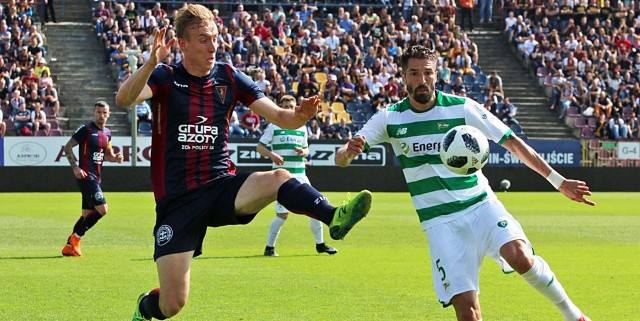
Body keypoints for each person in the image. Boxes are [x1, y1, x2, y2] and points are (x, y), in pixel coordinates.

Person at [115, 5, 372, 321]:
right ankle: (144, 308)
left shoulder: (229, 76)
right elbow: (124, 99)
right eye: (203, 40)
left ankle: (333, 217)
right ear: (181, 43)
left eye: (215, 38)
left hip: (222, 186)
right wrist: (152, 60)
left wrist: (301, 116)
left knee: (279, 177)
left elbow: (280, 116)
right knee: (172, 305)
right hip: (177, 202)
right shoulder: (165, 77)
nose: (213, 47)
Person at [335, 45, 594, 321]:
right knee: (467, 310)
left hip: (481, 205)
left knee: (520, 256)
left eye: (427, 73)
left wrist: (558, 181)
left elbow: (512, 143)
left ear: (437, 75)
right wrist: (348, 153)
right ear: (403, 75)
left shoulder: (462, 108)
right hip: (439, 222)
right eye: (414, 73)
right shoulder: (390, 118)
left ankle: (574, 315)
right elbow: (341, 158)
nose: (421, 80)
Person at [258, 95, 338, 257]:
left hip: (301, 176)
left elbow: (307, 149)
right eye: (285, 105)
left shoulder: (301, 128)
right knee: (282, 215)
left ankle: (320, 244)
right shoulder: (274, 126)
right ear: (281, 106)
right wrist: (272, 155)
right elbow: (260, 147)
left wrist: (304, 152)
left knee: (316, 210)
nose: (288, 108)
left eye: (291, 105)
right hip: (281, 179)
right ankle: (269, 248)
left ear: (296, 107)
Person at [61, 101, 124, 257]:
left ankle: (69, 247)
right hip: (86, 177)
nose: (101, 115)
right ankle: (75, 239)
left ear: (109, 115)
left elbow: (107, 155)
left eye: (104, 113)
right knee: (103, 210)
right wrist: (75, 167)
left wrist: (115, 158)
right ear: (93, 113)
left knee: (86, 214)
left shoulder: (107, 133)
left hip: (96, 178)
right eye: (98, 112)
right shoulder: (86, 130)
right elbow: (67, 147)